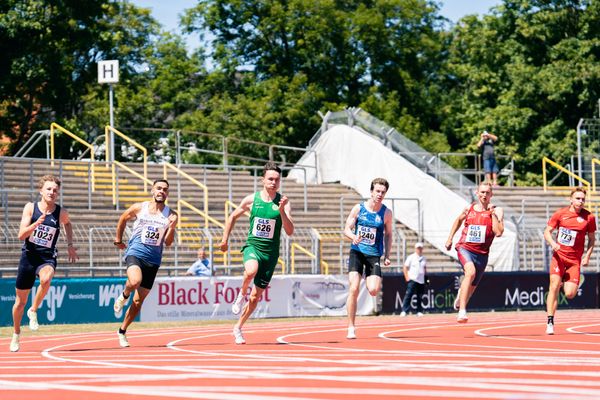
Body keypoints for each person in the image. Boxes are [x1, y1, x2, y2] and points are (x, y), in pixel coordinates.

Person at [219, 162, 294, 345]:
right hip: (253, 247)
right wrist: (224, 239)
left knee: (255, 298)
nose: (273, 182)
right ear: (263, 180)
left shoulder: (284, 201)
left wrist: (282, 210)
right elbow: (232, 217)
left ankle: (238, 327)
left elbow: (290, 230)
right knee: (250, 271)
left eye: (277, 179)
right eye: (270, 179)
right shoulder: (251, 199)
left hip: (271, 254)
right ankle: (240, 293)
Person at [10, 175, 79, 352]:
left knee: (46, 279)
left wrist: (70, 245)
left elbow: (68, 224)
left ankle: (33, 310)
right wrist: (36, 224)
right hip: (29, 256)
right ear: (41, 191)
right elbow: (21, 235)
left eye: (55, 190)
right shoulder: (30, 208)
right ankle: (16, 334)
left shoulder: (60, 212)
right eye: (49, 189)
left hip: (47, 256)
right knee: (19, 303)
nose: (52, 192)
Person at [112, 179, 178, 347]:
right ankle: (124, 295)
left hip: (154, 260)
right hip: (135, 252)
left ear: (167, 193)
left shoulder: (171, 214)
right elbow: (123, 218)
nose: (161, 191)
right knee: (135, 281)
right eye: (159, 188)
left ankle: (122, 331)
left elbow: (169, 242)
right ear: (152, 190)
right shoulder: (139, 208)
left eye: (165, 189)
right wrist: (118, 239)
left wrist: (172, 227)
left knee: (138, 302)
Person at [445, 182, 504, 323]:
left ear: (491, 195)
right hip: (465, 248)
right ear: (477, 193)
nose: (484, 195)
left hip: (482, 254)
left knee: (471, 289)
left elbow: (499, 232)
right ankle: (462, 312)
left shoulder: (497, 210)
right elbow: (458, 221)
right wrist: (450, 238)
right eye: (482, 192)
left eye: (487, 193)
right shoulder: (469, 208)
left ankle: (461, 295)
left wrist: (492, 215)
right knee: (470, 272)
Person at [343, 177, 393, 339]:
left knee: (373, 290)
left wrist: (387, 255)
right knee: (354, 288)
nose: (379, 194)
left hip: (374, 255)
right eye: (377, 191)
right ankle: (351, 326)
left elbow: (389, 234)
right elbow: (346, 229)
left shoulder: (386, 213)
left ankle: (371, 277)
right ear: (371, 191)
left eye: (383, 192)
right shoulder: (359, 208)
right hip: (357, 252)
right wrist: (353, 236)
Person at [543, 187, 595, 335]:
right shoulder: (560, 214)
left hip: (574, 261)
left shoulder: (589, 218)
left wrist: (587, 256)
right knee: (553, 286)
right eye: (578, 198)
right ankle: (550, 322)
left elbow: (592, 239)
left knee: (570, 294)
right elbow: (547, 232)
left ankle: (566, 279)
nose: (581, 201)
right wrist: (553, 244)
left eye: (583, 199)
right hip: (559, 257)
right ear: (571, 200)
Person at [400, 242, 427, 317]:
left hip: (421, 280)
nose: (419, 250)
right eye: (418, 248)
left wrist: (426, 279)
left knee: (420, 296)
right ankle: (404, 311)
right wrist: (407, 278)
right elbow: (405, 267)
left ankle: (419, 311)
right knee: (409, 295)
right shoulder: (411, 257)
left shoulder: (424, 258)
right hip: (412, 279)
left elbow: (424, 268)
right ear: (415, 249)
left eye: (421, 248)